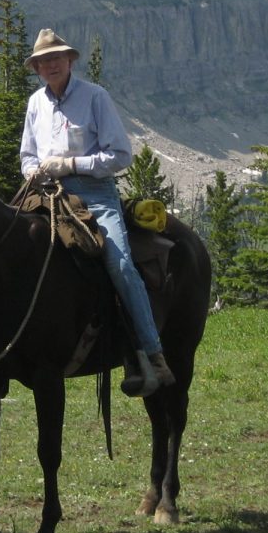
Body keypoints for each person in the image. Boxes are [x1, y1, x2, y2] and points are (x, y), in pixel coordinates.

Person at [19, 28, 176, 396]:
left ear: (70, 60)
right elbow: (28, 153)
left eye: (56, 58)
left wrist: (70, 164)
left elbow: (120, 155)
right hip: (45, 195)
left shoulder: (94, 97)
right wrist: (31, 170)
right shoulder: (35, 104)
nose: (50, 65)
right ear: (37, 68)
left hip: (94, 195)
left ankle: (152, 352)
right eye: (43, 61)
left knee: (119, 264)